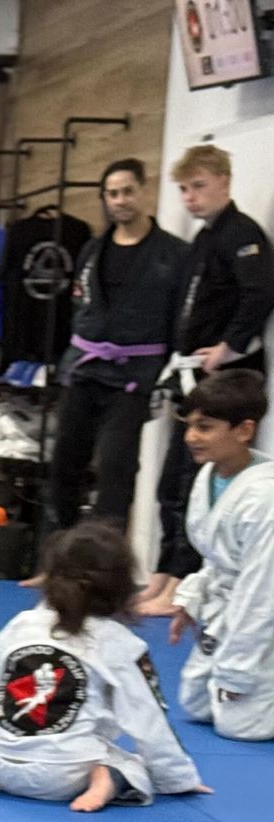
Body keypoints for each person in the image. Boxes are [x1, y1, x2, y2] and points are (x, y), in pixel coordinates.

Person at [0, 522, 207, 810]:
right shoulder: (120, 643)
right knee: (130, 762)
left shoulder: (21, 625)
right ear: (120, 587)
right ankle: (106, 779)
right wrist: (178, 779)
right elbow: (148, 721)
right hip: (65, 775)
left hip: (0, 767)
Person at [153, 145, 274, 603]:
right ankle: (166, 572)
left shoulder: (244, 234)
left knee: (196, 479)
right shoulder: (205, 239)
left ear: (225, 181)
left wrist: (230, 346)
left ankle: (184, 584)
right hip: (192, 372)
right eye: (184, 190)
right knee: (174, 481)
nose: (190, 198)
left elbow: (259, 293)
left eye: (198, 186)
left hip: (227, 379)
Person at [45, 160, 189, 536]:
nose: (121, 200)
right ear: (105, 199)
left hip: (133, 376)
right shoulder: (93, 250)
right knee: (64, 462)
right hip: (84, 367)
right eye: (113, 193)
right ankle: (58, 556)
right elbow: (81, 309)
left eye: (127, 191)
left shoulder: (174, 254)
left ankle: (105, 566)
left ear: (144, 191)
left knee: (115, 467)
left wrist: (168, 376)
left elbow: (179, 321)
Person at [146, 370, 274, 740]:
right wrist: (191, 598)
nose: (190, 437)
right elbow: (215, 558)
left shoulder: (264, 498)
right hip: (230, 605)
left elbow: (261, 593)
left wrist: (238, 670)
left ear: (243, 431)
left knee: (240, 727)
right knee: (197, 704)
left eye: (205, 427)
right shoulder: (210, 476)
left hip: (263, 609)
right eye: (189, 426)